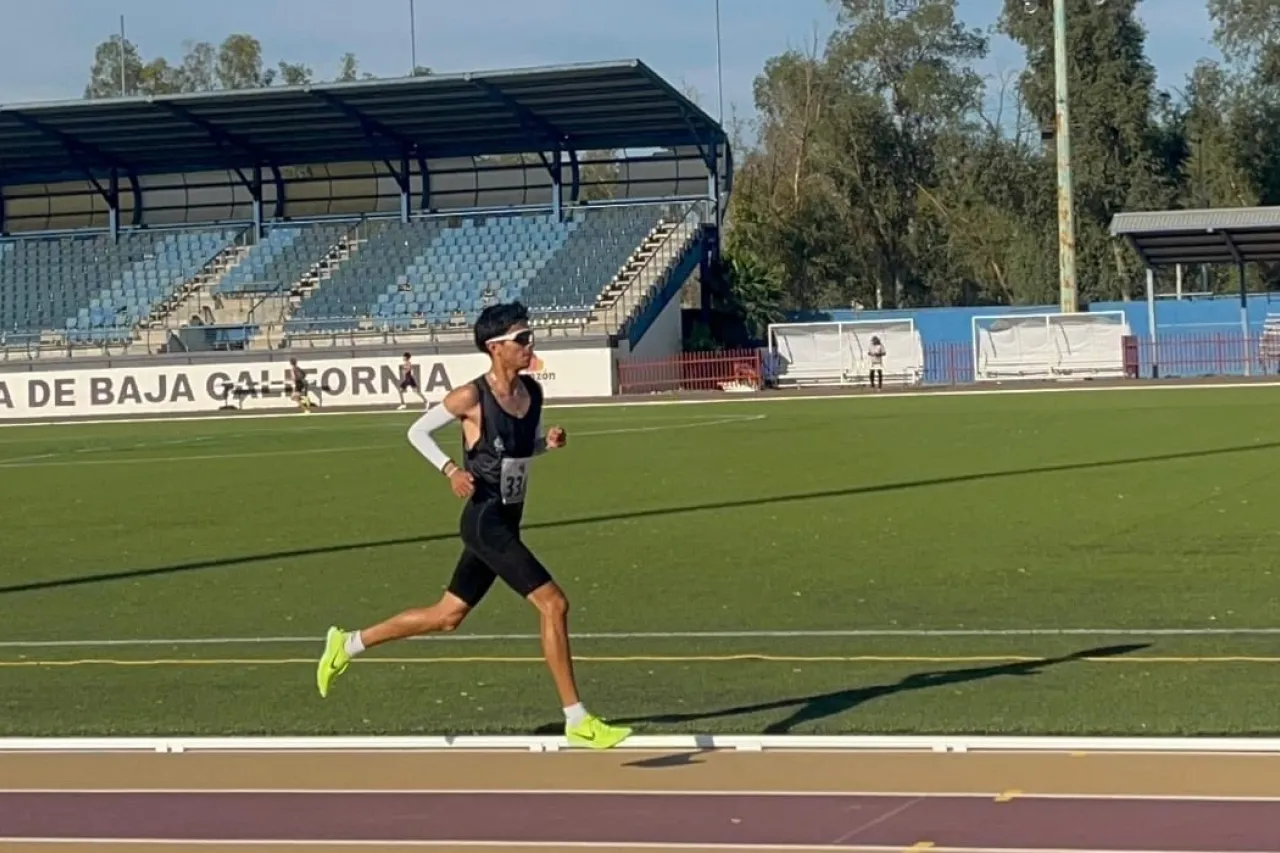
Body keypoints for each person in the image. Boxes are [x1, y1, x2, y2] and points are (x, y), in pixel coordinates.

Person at [315, 302, 632, 750]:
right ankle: (577, 718)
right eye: (521, 339)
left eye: (529, 336)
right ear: (495, 348)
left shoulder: (532, 394)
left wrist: (547, 444)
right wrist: (450, 470)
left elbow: (517, 454)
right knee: (554, 605)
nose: (530, 345)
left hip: (508, 519)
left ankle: (346, 645)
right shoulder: (471, 396)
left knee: (447, 617)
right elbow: (417, 432)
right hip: (483, 520)